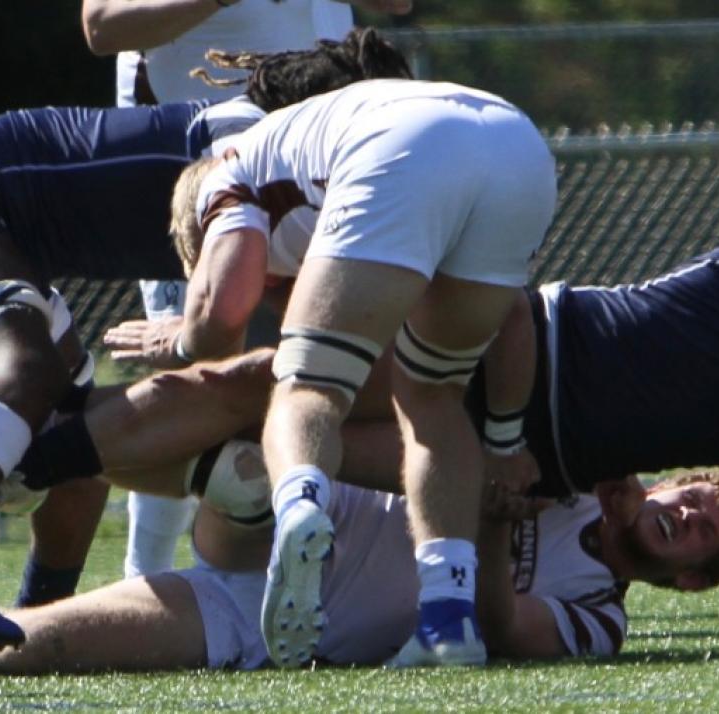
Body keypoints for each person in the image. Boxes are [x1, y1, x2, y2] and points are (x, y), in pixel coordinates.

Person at [26, 190, 719, 636]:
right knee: (257, 388)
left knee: (252, 452)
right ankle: (25, 445)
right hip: (511, 344)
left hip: (513, 465)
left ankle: (33, 438)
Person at [0, 33, 411, 648]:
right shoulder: (254, 146)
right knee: (30, 367)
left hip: (1, 237)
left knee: (81, 452)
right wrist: (189, 351)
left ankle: (26, 622)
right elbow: (232, 333)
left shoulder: (295, 187)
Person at [111, 76, 559, 669]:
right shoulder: (306, 157)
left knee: (305, 386)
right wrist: (504, 440)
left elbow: (221, 315)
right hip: (521, 146)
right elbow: (517, 319)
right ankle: (448, 621)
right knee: (431, 399)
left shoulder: (223, 175)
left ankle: (299, 506)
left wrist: (179, 340)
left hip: (402, 148)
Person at [0, 467, 719, 672]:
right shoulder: (575, 467)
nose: (686, 515)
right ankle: (1, 444)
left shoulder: (603, 618)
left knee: (14, 648)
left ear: (692, 580)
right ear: (670, 478)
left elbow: (509, 629)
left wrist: (478, 511)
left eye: (704, 533)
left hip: (261, 619)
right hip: (307, 514)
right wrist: (524, 471)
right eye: (695, 496)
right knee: (241, 450)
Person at [79, 0, 414, 586]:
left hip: (329, 162)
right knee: (201, 378)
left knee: (346, 368)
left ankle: (358, 565)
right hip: (207, 169)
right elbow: (103, 24)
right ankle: (148, 578)